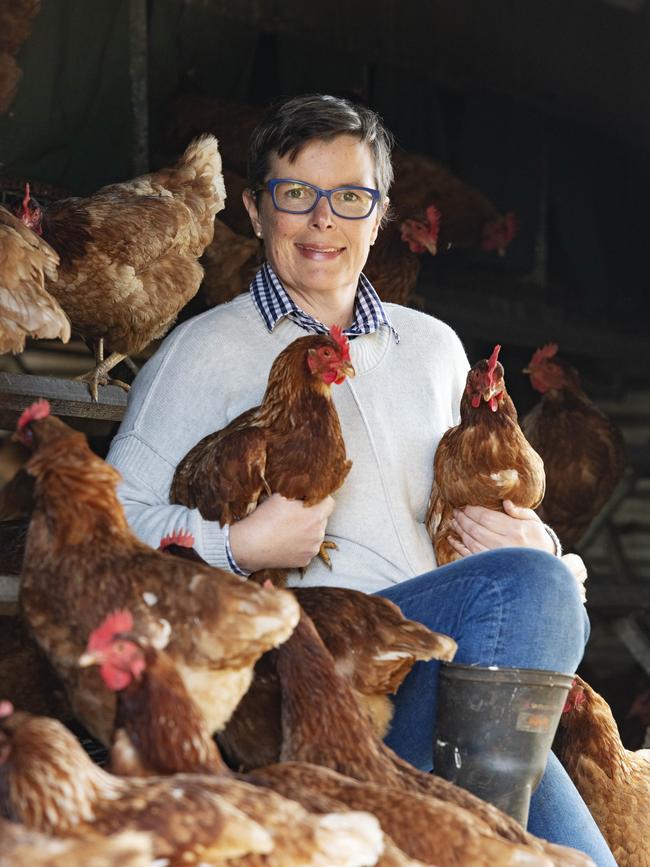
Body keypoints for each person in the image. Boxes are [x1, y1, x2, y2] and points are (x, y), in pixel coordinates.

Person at [107, 93, 615, 865]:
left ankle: (457, 836)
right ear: (254, 209)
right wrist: (235, 543)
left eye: (349, 198)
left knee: (543, 594)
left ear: (379, 214)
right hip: (319, 676)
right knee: (532, 595)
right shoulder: (203, 351)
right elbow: (109, 521)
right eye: (295, 195)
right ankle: (465, 841)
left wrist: (530, 535)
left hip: (441, 660)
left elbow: (487, 515)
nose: (323, 221)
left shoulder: (435, 347)